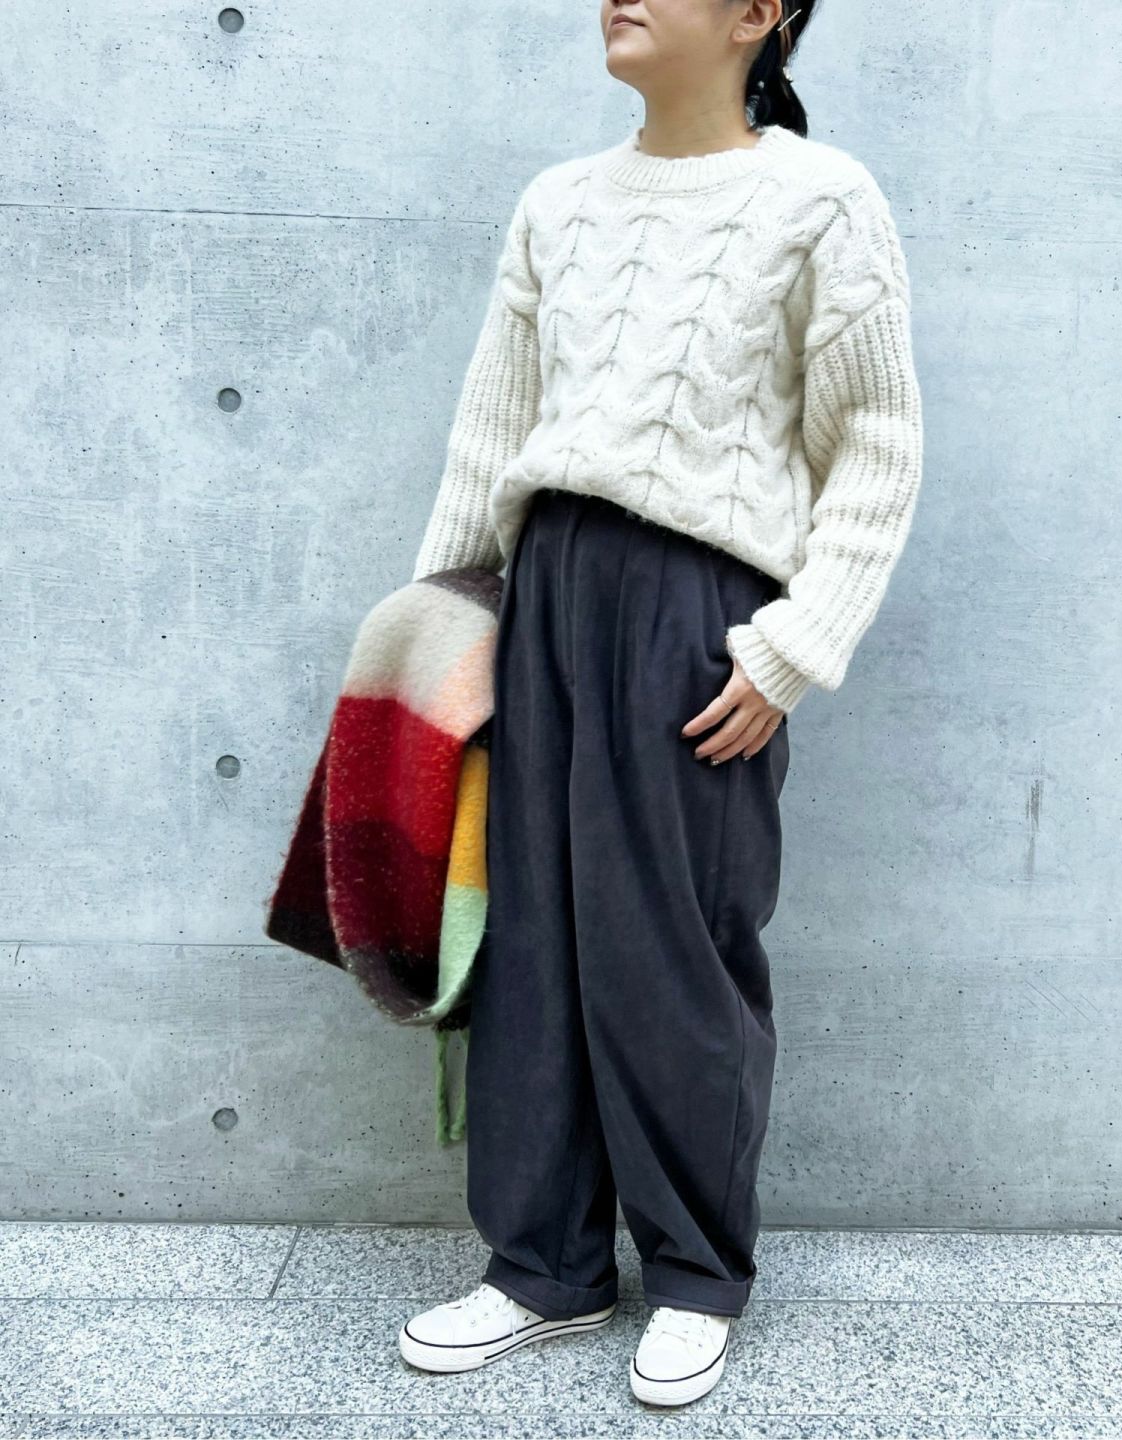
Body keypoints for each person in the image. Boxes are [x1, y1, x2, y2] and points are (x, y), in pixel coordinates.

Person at [398, 0, 923, 1408]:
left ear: (759, 15)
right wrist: (440, 635)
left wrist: (791, 650)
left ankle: (695, 1273)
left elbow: (877, 443)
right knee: (529, 937)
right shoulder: (558, 203)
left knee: (674, 946)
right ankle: (542, 1268)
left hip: (701, 612)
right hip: (546, 591)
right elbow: (489, 434)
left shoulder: (822, 201)